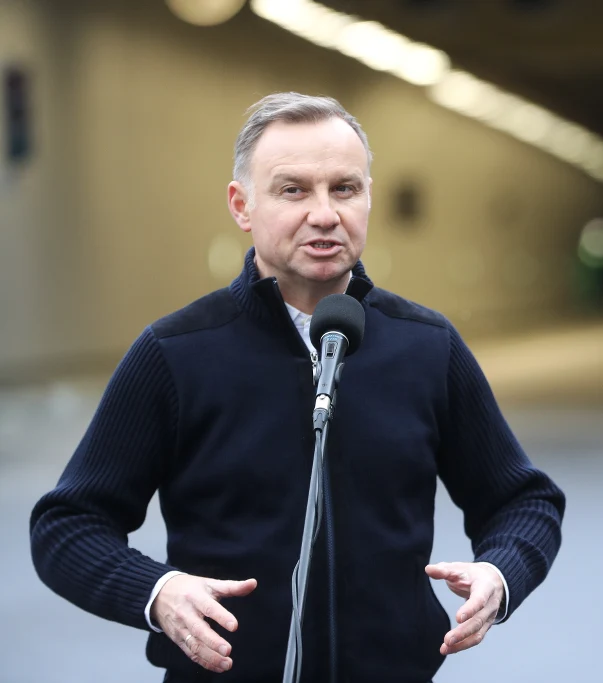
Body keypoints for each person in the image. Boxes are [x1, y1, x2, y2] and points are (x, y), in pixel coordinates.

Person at [29, 92, 565, 682]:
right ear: (242, 205)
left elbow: (522, 501)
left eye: (345, 188)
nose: (325, 213)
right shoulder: (175, 353)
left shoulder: (427, 346)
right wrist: (157, 592)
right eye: (293, 190)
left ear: (368, 198)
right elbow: (68, 525)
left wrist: (501, 574)